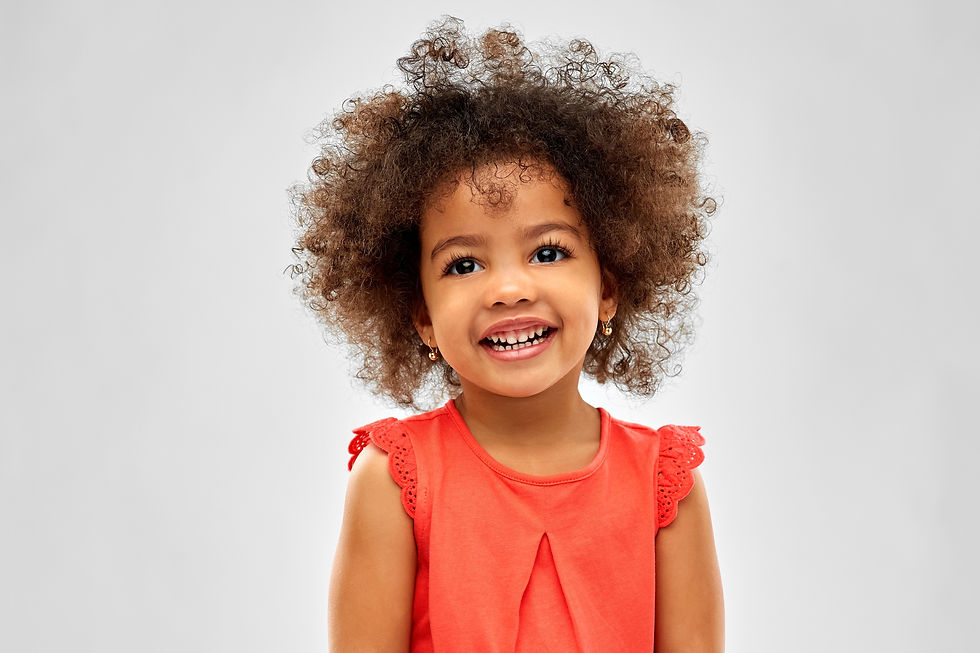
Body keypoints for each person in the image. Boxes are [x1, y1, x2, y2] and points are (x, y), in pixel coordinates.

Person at [289, 16, 724, 652]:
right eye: (464, 264)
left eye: (548, 252)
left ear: (608, 286)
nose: (509, 288)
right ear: (421, 315)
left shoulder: (665, 484)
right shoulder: (395, 482)